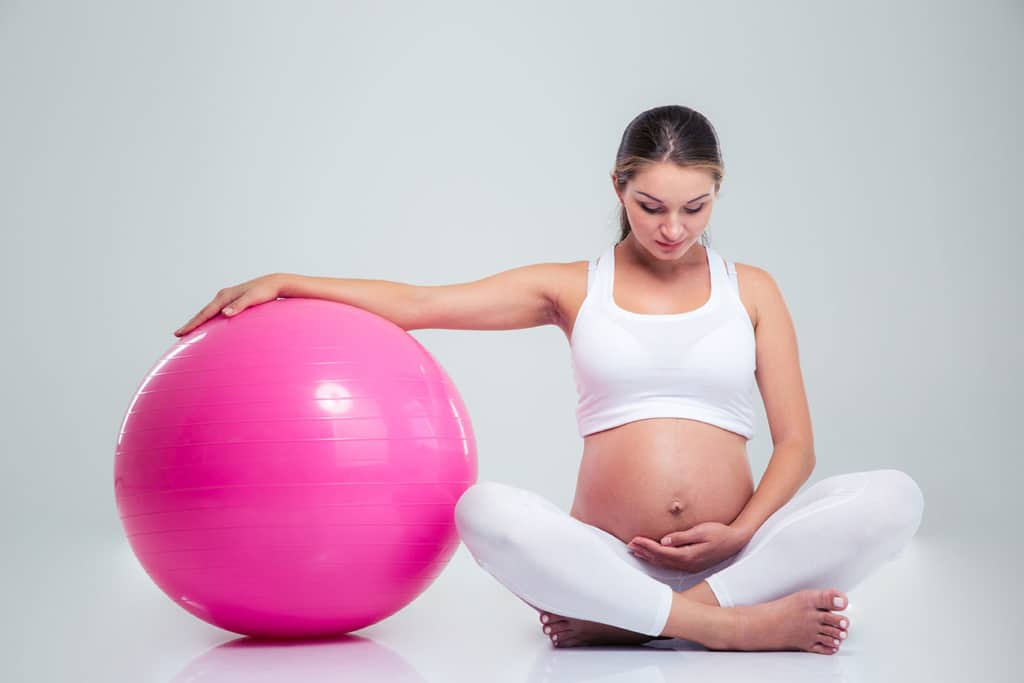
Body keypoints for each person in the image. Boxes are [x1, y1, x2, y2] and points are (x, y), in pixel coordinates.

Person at [173, 105, 924, 656]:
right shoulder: (572, 286)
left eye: (695, 207)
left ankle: (647, 616)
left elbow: (796, 444)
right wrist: (285, 280)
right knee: (484, 510)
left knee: (897, 498)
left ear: (717, 192)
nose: (672, 229)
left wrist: (740, 530)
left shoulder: (752, 289)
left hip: (739, 551)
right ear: (618, 186)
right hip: (608, 557)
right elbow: (424, 303)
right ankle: (725, 625)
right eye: (650, 206)